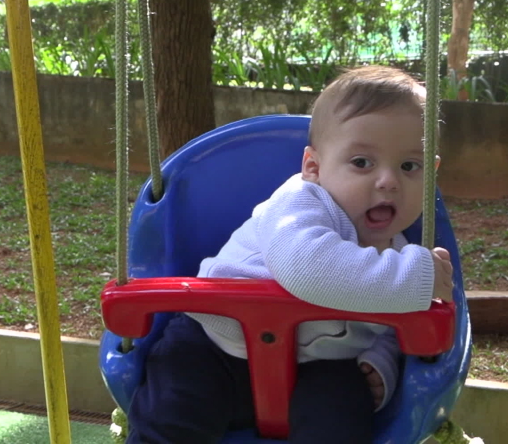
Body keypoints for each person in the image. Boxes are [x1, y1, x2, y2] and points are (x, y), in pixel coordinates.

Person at [125, 65, 455, 444]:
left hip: (321, 370)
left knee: (343, 417)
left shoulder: (401, 255)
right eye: (362, 163)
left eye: (409, 166)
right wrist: (416, 279)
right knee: (172, 417)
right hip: (212, 345)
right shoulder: (299, 202)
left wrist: (381, 365)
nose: (388, 181)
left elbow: (396, 327)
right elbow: (307, 269)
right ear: (313, 167)